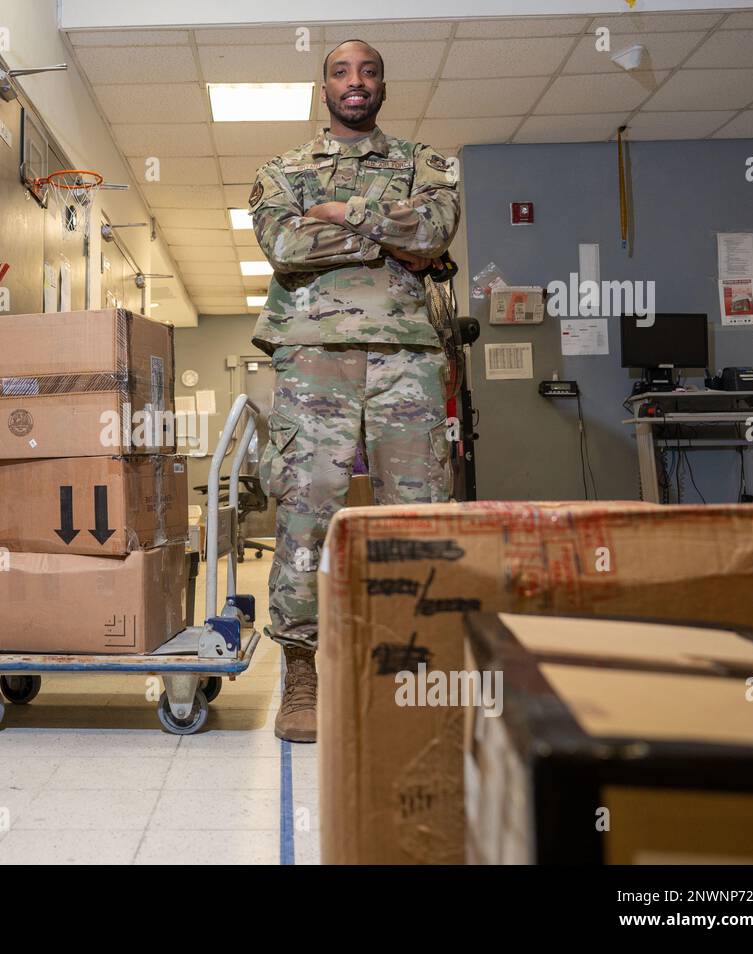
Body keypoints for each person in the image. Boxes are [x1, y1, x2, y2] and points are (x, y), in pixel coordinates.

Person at [249, 39, 460, 742]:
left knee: (419, 513)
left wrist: (336, 215)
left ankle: (411, 666)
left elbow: (431, 232)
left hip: (408, 357)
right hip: (312, 359)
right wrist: (387, 231)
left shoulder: (429, 163)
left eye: (368, 71)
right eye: (341, 71)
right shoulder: (281, 170)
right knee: (307, 512)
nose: (355, 82)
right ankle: (302, 671)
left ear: (382, 86)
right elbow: (285, 247)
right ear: (325, 86)